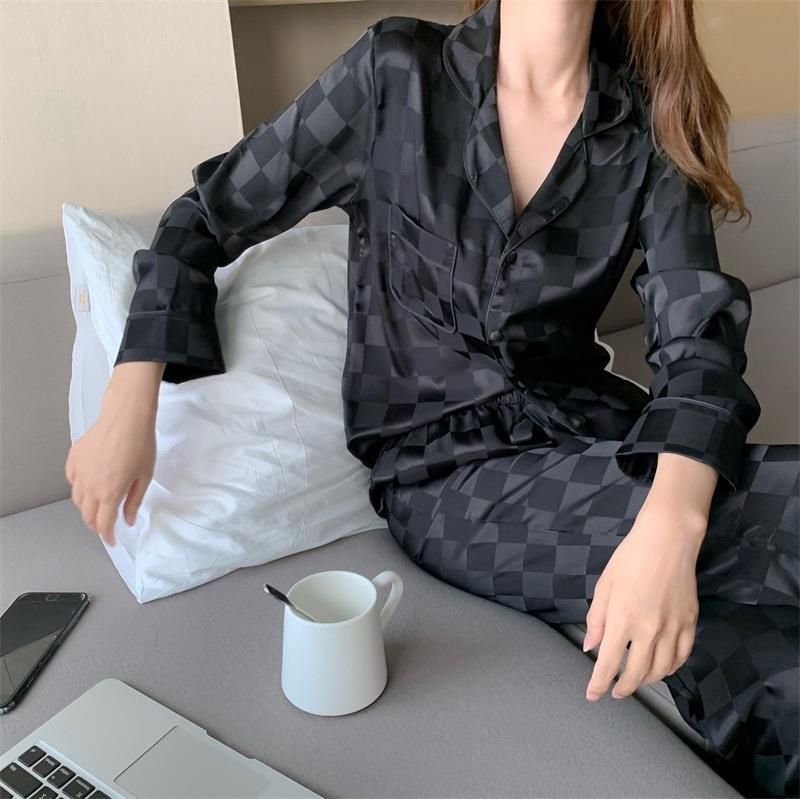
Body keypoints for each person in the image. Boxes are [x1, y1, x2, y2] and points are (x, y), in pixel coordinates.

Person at [65, 0, 799, 795]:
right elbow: (205, 216)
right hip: (444, 480)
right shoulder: (396, 75)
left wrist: (673, 521)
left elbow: (698, 339)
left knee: (766, 663)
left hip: (593, 440)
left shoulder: (645, 125)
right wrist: (129, 397)